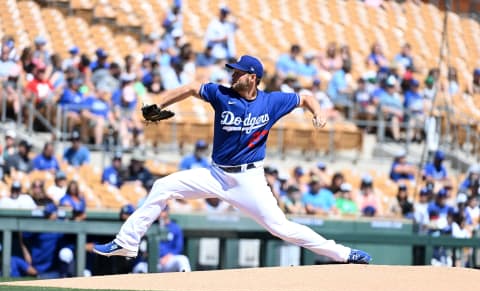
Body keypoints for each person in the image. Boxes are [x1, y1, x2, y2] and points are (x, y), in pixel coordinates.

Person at [93, 54, 371, 264]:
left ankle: (343, 254)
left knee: (281, 228)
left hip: (249, 180)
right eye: (233, 70)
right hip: (215, 175)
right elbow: (191, 88)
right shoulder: (221, 94)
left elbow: (307, 97)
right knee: (163, 187)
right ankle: (127, 242)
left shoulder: (271, 102)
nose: (232, 74)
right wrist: (159, 104)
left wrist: (317, 113)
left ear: (252, 77)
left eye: (238, 72)